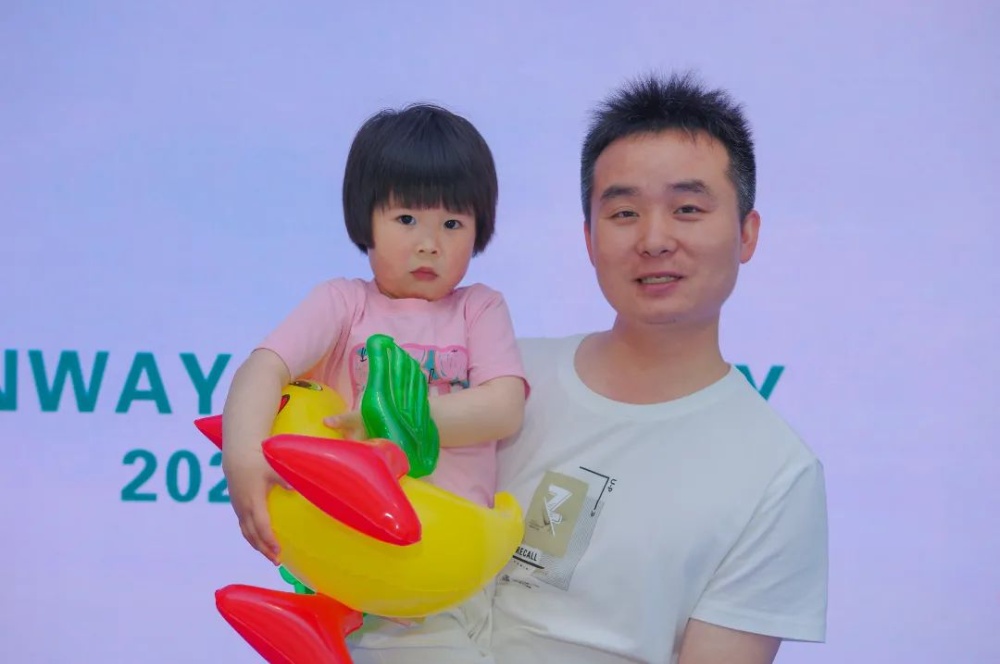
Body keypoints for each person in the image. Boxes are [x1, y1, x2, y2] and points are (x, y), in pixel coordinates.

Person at [351, 72, 828, 664]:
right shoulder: (493, 377)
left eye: (687, 208)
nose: (654, 239)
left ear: (747, 233)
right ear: (588, 237)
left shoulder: (777, 473)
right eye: (624, 212)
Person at [219, 103, 529, 646]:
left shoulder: (479, 308)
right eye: (406, 219)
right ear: (366, 220)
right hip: (353, 553)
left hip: (446, 555)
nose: (429, 243)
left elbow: (503, 407)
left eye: (453, 224)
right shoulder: (342, 303)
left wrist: (397, 422)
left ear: (480, 230)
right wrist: (241, 457)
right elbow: (263, 367)